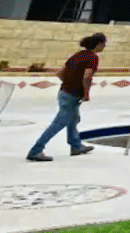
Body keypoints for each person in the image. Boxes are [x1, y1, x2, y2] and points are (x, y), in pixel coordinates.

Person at [26, 33, 107, 162]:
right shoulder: (92, 58)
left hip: (64, 92)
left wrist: (68, 83)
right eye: (104, 44)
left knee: (73, 119)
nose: (105, 47)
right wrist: (85, 93)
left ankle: (76, 146)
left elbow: (60, 73)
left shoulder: (77, 55)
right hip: (73, 94)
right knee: (58, 123)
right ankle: (36, 150)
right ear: (98, 44)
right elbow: (87, 77)